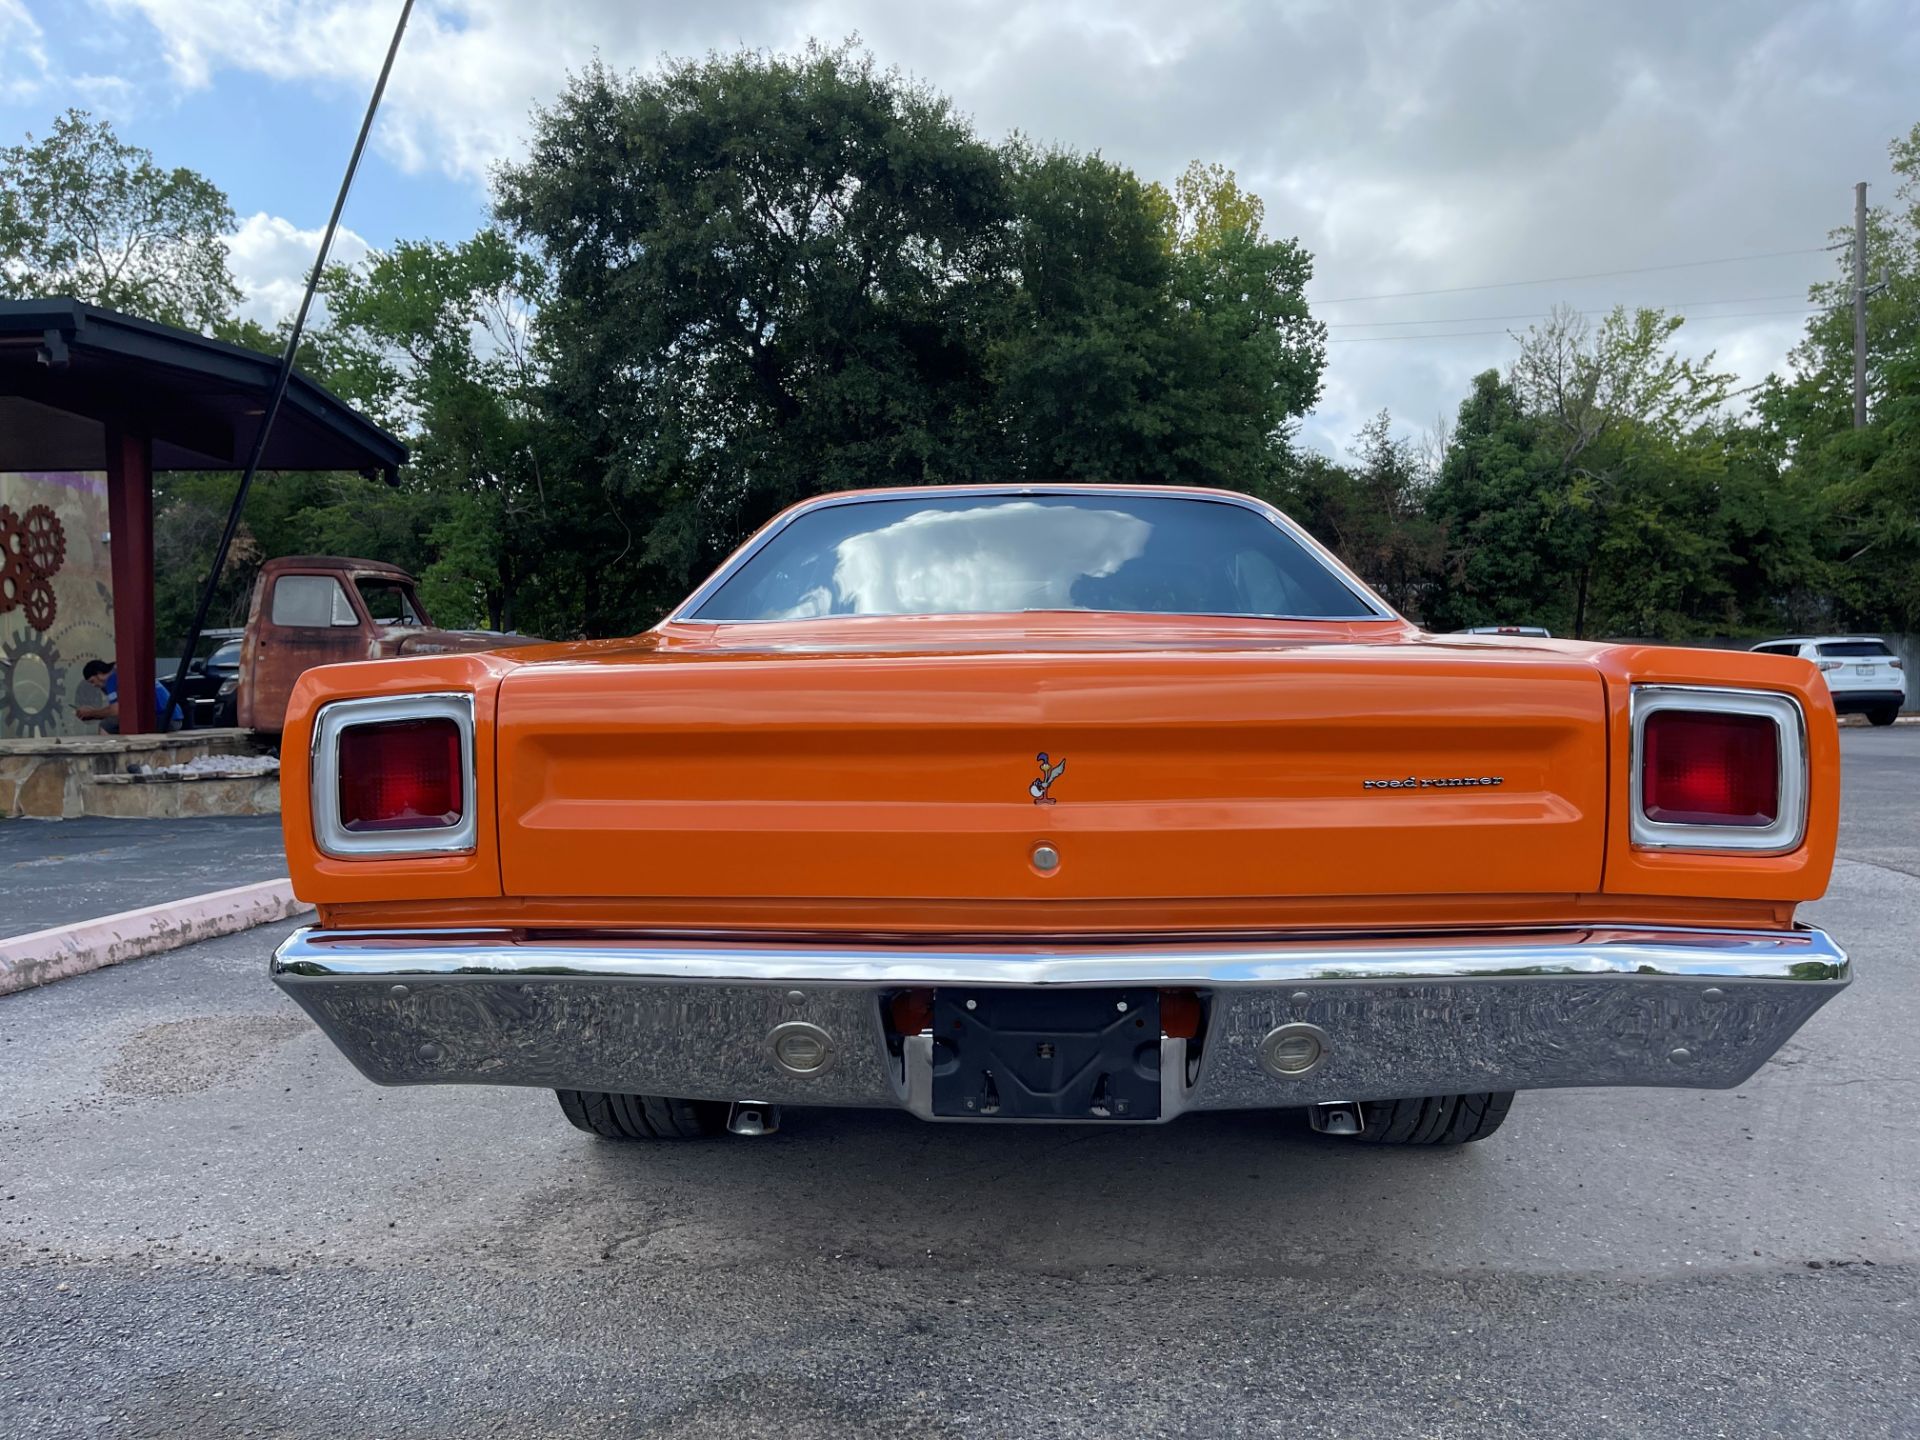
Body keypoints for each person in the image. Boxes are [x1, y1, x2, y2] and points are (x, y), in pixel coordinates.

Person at [76, 659, 182, 733]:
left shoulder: (112, 679)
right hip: (173, 717)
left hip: (164, 719)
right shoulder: (120, 672)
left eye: (93, 681)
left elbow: (116, 711)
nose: (95, 686)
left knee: (107, 725)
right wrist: (94, 714)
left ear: (99, 673)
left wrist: (91, 712)